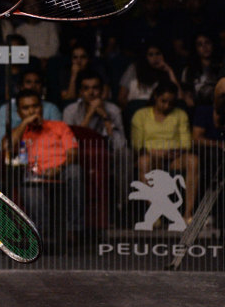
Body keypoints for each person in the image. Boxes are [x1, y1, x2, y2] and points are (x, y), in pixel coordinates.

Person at [8, 89, 84, 241]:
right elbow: (7, 149)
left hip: (61, 170)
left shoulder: (59, 126)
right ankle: (42, 233)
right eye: (26, 108)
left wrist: (59, 168)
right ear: (19, 113)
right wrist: (25, 123)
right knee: (25, 177)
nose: (32, 111)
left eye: (35, 106)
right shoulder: (18, 131)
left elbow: (73, 153)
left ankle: (72, 229)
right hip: (32, 173)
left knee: (75, 170)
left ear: (41, 108)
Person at [131, 80, 198, 223]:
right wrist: (156, 153)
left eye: (171, 103)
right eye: (163, 101)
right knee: (143, 161)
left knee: (193, 160)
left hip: (175, 158)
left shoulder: (180, 114)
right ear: (155, 96)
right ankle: (155, 214)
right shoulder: (141, 115)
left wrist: (175, 152)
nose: (167, 106)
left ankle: (188, 213)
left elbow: (186, 143)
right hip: (152, 158)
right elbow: (137, 144)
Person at [62, 69, 126, 150]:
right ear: (81, 92)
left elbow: (120, 146)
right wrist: (89, 115)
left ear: (101, 90)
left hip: (106, 153)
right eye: (86, 88)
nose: (91, 92)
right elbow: (70, 144)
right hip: (80, 153)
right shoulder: (70, 111)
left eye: (95, 88)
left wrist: (105, 116)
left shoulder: (114, 110)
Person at [0, 67, 61, 142]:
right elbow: (3, 143)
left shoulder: (51, 109)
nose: (33, 86)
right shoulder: (6, 110)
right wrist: (25, 123)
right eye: (28, 82)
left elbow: (58, 138)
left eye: (37, 82)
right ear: (20, 86)